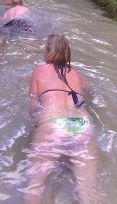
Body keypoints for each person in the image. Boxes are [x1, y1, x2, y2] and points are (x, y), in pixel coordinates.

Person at [25, 34, 98, 204]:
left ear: (48, 51)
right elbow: (92, 91)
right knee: (87, 190)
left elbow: (33, 106)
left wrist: (34, 127)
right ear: (68, 53)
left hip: (53, 123)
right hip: (82, 126)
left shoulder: (39, 71)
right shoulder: (77, 74)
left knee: (34, 188)